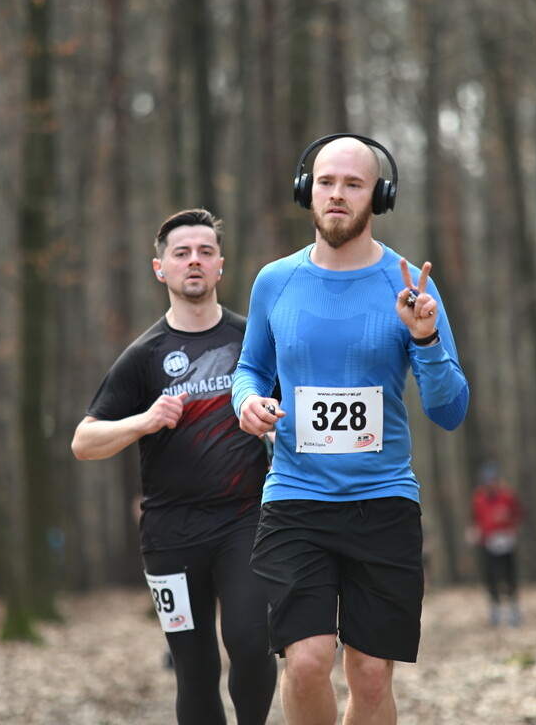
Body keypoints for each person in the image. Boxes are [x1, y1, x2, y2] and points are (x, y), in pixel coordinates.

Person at [232, 134, 470, 725]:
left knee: (368, 677)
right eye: (326, 182)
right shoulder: (275, 281)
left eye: (353, 184)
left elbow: (449, 410)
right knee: (308, 663)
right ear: (306, 190)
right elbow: (250, 368)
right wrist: (248, 403)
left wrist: (426, 339)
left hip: (383, 501)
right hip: (295, 499)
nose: (336, 194)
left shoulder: (409, 283)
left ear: (379, 195)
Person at [71, 209, 277, 725]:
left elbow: (293, 413)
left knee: (252, 645)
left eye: (205, 252)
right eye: (181, 253)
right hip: (170, 534)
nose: (194, 261)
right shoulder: (144, 355)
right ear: (160, 268)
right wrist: (142, 421)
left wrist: (276, 423)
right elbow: (83, 441)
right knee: (194, 668)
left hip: (245, 523)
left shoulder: (251, 340)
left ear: (220, 266)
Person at [469, 462, 524, 627]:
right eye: (488, 481)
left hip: (506, 538)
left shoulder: (507, 495)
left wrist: (509, 519)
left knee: (509, 575)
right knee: (491, 576)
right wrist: (475, 530)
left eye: (493, 480)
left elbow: (519, 513)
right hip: (488, 541)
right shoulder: (479, 498)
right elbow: (474, 518)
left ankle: (514, 609)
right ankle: (495, 610)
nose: (490, 484)